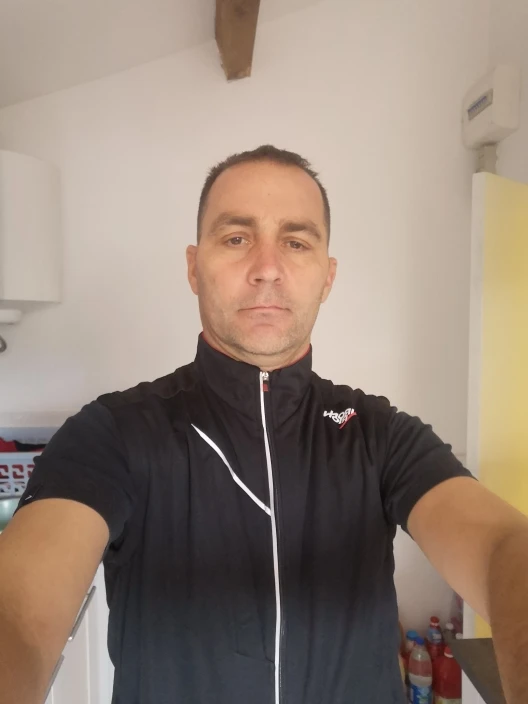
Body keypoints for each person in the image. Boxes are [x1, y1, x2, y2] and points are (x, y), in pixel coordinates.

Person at [0, 145, 527, 704]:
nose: (267, 268)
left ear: (327, 277)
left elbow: (500, 545)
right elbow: (19, 609)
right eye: (236, 238)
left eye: (296, 242)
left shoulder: (380, 433)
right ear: (193, 267)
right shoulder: (111, 434)